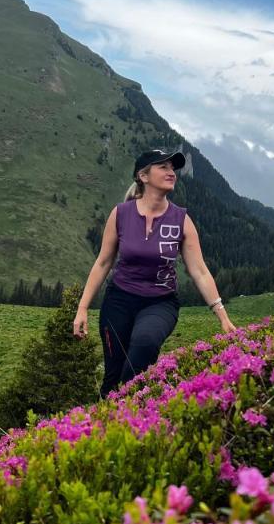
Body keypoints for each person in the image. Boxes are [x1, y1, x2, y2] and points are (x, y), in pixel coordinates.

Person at [73, 146, 236, 397]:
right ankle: (109, 419)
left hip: (160, 303)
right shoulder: (121, 214)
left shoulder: (181, 219)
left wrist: (222, 315)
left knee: (145, 344)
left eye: (173, 168)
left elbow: (200, 271)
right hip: (118, 301)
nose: (172, 172)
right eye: (164, 167)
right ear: (143, 176)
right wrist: (83, 308)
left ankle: (127, 405)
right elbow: (103, 263)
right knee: (113, 374)